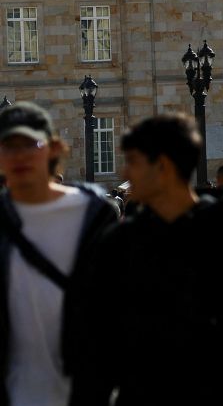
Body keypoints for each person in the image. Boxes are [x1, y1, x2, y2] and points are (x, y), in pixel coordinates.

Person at [75, 113, 223, 405]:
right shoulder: (121, 241)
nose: (124, 172)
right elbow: (96, 337)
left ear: (163, 166)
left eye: (132, 161)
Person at [0, 102, 118, 406]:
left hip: (81, 392)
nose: (19, 156)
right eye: (9, 146)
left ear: (53, 148)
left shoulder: (94, 216)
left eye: (31, 144)